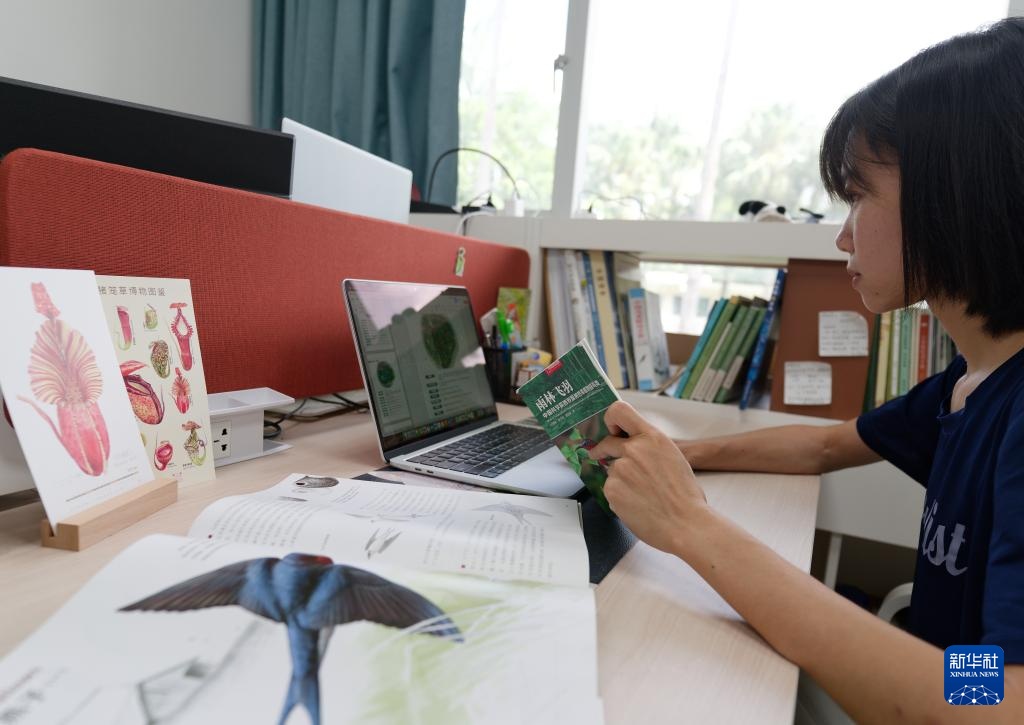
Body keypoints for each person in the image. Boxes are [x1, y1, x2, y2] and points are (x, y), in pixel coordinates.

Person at [588, 18, 1024, 722]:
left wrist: (693, 528)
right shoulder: (970, 380)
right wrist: (680, 459)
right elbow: (826, 444)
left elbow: (1002, 702)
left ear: (956, 195)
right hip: (953, 661)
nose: (843, 233)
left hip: (965, 683)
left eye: (859, 195)